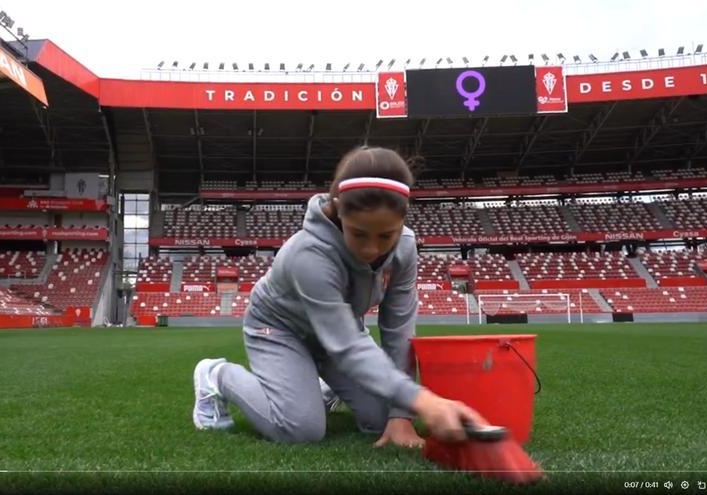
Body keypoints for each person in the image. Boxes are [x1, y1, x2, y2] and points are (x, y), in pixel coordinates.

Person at [192, 146, 488, 448]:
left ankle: (319, 387)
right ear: (338, 209)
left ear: (402, 220)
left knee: (381, 419)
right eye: (359, 233)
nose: (372, 249)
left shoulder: (406, 248)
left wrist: (402, 415)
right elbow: (347, 346)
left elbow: (399, 330)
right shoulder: (308, 254)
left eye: (386, 236)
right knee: (300, 430)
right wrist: (423, 401)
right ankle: (216, 375)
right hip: (280, 329)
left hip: (339, 332)